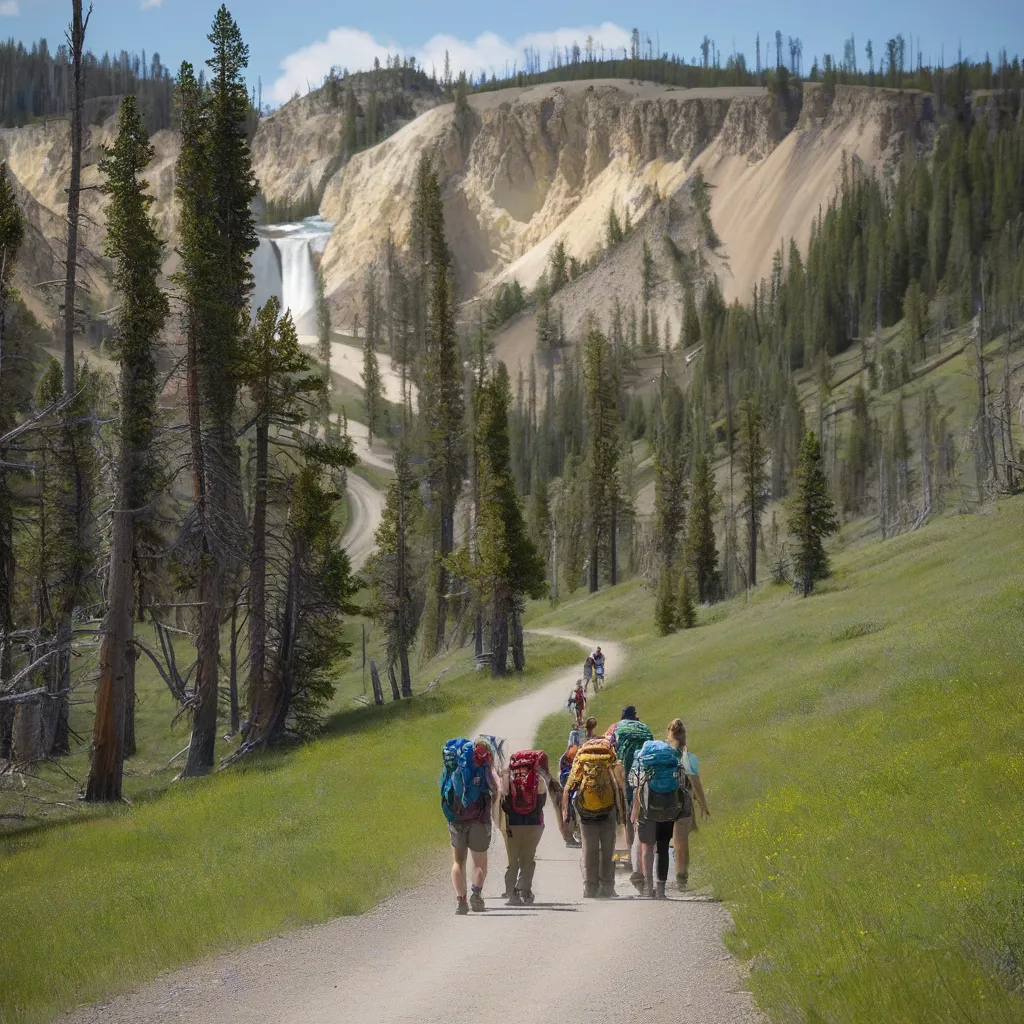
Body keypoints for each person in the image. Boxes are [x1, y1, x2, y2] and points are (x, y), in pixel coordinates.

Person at [441, 736, 501, 915]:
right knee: (479, 862)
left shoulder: (454, 764)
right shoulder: (485, 766)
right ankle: (476, 894)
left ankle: (461, 901)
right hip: (479, 819)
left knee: (458, 862)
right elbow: (496, 789)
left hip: (456, 818)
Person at [562, 736, 627, 898]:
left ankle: (590, 887)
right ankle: (607, 886)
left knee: (589, 850)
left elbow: (569, 786)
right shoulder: (610, 757)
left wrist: (566, 812)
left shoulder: (582, 758)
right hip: (608, 808)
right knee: (607, 849)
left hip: (586, 812)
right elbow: (620, 785)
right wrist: (622, 812)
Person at [631, 738, 688, 898]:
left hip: (647, 810)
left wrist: (634, 809)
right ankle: (661, 891)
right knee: (663, 848)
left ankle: (649, 889)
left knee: (647, 848)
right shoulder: (671, 758)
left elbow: (634, 783)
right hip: (668, 808)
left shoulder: (642, 759)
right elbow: (683, 782)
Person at [500, 750, 559, 905]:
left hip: (512, 825)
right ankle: (524, 891)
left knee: (513, 860)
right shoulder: (538, 779)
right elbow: (542, 801)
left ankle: (511, 893)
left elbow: (503, 799)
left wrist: (506, 771)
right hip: (534, 825)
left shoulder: (510, 778)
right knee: (528, 859)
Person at [613, 706, 654, 893]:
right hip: (647, 774)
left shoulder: (617, 728)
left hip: (626, 774)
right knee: (644, 813)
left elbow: (612, 754)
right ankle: (645, 859)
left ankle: (632, 855)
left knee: (630, 814)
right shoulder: (644, 728)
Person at [667, 718, 711, 889]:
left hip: (657, 801)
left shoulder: (661, 753)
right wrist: (704, 805)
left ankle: (658, 878)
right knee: (681, 842)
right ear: (684, 737)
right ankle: (681, 878)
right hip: (680, 802)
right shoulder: (687, 756)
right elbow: (694, 781)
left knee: (663, 841)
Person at [558, 743, 581, 848]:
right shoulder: (568, 769)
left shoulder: (564, 760)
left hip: (570, 791)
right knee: (569, 814)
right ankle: (569, 839)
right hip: (568, 793)